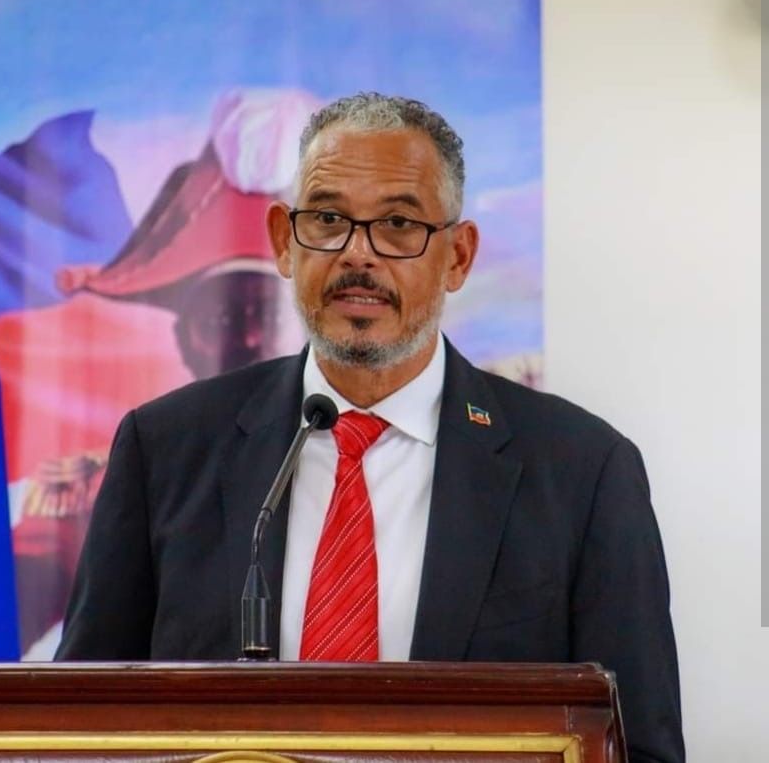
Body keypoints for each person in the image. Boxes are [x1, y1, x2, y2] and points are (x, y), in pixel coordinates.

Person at [56, 93, 684, 763]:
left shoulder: (584, 472)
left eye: (398, 224)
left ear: (458, 256)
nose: (359, 254)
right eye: (328, 219)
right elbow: (74, 728)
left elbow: (638, 745)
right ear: (284, 242)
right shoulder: (165, 450)